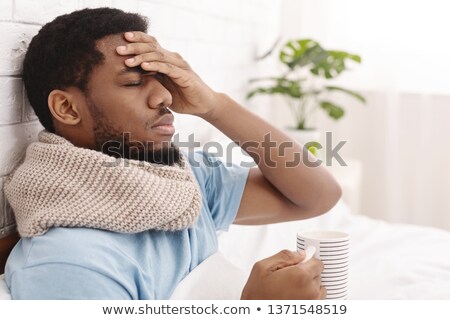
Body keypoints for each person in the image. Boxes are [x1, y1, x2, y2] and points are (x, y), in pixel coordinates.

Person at [4, 7, 341, 300]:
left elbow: (317, 197)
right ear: (66, 107)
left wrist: (213, 105)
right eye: (134, 83)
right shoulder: (70, 262)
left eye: (161, 78)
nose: (164, 95)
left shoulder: (180, 180)